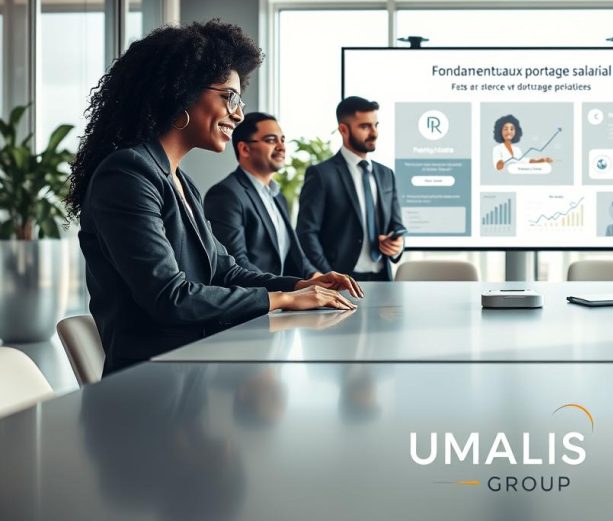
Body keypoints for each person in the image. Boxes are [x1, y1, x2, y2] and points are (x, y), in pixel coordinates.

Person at [67, 21, 363, 375]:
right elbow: (169, 298)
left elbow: (224, 270)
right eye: (229, 97)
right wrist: (283, 299)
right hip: (151, 385)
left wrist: (301, 285)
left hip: (194, 369)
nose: (238, 113)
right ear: (180, 91)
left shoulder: (180, 181)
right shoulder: (127, 175)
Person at [297, 96, 406, 281]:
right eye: (365, 127)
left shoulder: (387, 174)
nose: (374, 133)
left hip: (383, 277)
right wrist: (328, 275)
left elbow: (396, 225)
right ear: (343, 130)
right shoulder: (321, 174)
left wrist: (397, 245)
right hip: (341, 278)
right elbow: (306, 233)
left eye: (376, 125)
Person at [204, 112, 319, 278]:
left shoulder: (278, 196)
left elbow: (295, 255)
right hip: (256, 299)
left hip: (281, 297)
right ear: (244, 149)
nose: (281, 147)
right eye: (271, 140)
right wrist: (290, 289)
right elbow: (236, 262)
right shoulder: (226, 195)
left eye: (282, 139)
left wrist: (318, 277)